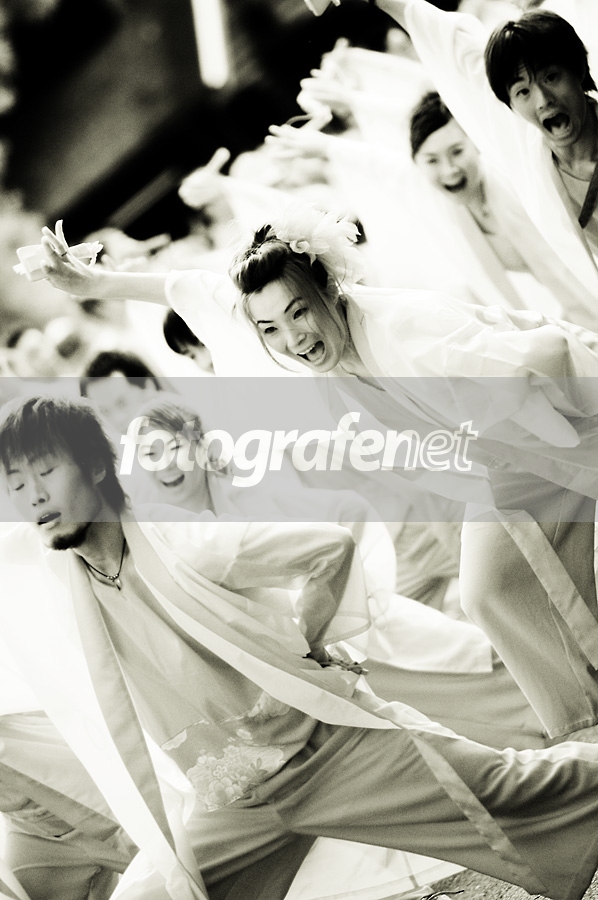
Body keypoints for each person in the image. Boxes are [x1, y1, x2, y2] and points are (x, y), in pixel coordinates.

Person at [30, 209, 598, 747]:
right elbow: (202, 290)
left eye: (299, 313)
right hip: (501, 474)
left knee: (503, 593)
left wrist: (531, 434)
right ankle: (582, 728)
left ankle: (582, 722)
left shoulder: (404, 330)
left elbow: (543, 355)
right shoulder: (307, 356)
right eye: (271, 328)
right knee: (490, 593)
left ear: (329, 288)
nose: (293, 338)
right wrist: (95, 285)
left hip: (560, 430)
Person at [3, 395, 598, 900]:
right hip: (233, 803)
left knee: (517, 788)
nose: (33, 496)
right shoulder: (63, 581)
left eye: (46, 472)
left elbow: (330, 548)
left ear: (96, 467)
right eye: (16, 483)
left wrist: (306, 643)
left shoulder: (185, 538)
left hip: (330, 750)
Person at [127, 391, 549, 750]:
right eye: (151, 454)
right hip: (291, 664)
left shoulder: (251, 496)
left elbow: (345, 516)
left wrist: (334, 608)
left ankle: (551, 715)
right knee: (415, 728)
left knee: (461, 662)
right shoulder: (164, 531)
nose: (166, 464)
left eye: (174, 447)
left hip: (340, 631)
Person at [337, 0, 598, 309]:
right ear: (509, 102)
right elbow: (459, 53)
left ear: (578, 69)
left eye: (551, 77)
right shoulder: (528, 156)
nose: (543, 100)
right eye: (523, 91)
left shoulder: (509, 172)